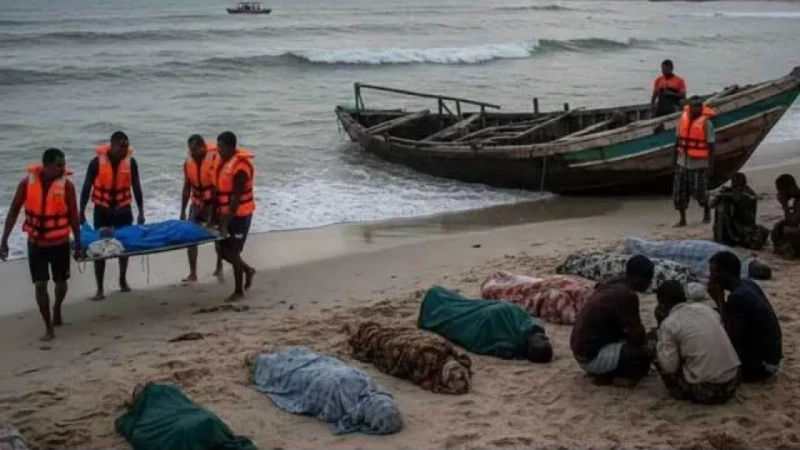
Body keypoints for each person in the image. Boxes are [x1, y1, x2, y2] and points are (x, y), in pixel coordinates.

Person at [0, 149, 82, 341]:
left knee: (61, 283)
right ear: (46, 165)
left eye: (64, 164)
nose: (63, 168)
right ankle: (48, 327)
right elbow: (13, 211)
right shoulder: (26, 184)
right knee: (40, 284)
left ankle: (57, 307)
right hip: (36, 243)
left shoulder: (67, 186)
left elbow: (73, 215)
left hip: (60, 242)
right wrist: (4, 240)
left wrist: (78, 243)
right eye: (59, 165)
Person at [570, 255, 655, 386]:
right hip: (591, 357)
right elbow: (636, 336)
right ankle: (608, 376)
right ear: (640, 279)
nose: (650, 283)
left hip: (581, 350)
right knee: (643, 356)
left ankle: (606, 371)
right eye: (649, 279)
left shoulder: (613, 283)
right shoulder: (627, 296)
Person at [80, 131, 144, 300]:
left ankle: (122, 280)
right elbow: (86, 188)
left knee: (124, 245)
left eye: (127, 146)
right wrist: (81, 211)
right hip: (102, 210)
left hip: (123, 209)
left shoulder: (131, 163)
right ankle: (100, 288)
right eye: (121, 146)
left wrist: (141, 211)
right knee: (99, 248)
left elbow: (137, 187)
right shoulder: (96, 163)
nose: (125, 149)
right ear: (112, 145)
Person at [654, 281, 740, 404]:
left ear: (662, 303)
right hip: (733, 380)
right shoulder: (706, 309)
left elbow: (670, 367)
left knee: (656, 347)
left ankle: (678, 391)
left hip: (708, 390)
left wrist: (660, 330)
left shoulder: (669, 324)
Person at [418, 285, 553, 362]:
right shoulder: (528, 325)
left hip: (479, 320)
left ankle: (434, 302)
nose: (544, 338)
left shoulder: (508, 345)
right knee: (457, 302)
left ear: (530, 348)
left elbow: (481, 341)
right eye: (545, 339)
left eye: (541, 342)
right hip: (483, 308)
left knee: (450, 311)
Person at [709, 251, 782, 382]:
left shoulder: (738, 298)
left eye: (714, 272)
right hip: (772, 358)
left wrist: (718, 301)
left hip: (762, 366)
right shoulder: (749, 284)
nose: (711, 277)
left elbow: (730, 340)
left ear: (725, 273)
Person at [214, 131, 256, 301]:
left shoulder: (240, 169)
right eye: (217, 146)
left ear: (231, 147)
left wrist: (226, 223)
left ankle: (239, 291)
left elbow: (235, 199)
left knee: (233, 252)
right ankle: (248, 270)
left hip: (240, 216)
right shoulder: (223, 162)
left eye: (221, 147)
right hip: (226, 214)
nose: (218, 150)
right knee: (221, 250)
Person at [180, 134, 223, 282]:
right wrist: (182, 211)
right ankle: (193, 273)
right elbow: (187, 188)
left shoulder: (215, 160)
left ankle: (219, 267)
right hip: (196, 203)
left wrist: (214, 214)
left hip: (214, 203)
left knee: (218, 237)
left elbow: (220, 187)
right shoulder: (188, 163)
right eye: (190, 150)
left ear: (203, 147)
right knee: (190, 237)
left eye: (195, 149)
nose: (192, 153)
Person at [673, 96, 716, 227]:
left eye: (699, 106)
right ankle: (682, 219)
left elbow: (711, 146)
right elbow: (677, 142)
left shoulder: (706, 124)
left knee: (699, 191)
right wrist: (674, 160)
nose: (697, 108)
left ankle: (706, 211)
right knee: (679, 192)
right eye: (695, 106)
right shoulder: (682, 121)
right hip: (682, 161)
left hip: (699, 163)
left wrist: (710, 165)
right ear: (689, 107)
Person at [711, 172, 769, 250]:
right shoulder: (733, 192)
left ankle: (724, 237)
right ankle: (723, 236)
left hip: (744, 229)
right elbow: (712, 204)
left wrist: (723, 195)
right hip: (736, 228)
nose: (735, 188)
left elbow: (740, 198)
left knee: (724, 203)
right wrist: (720, 194)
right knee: (722, 204)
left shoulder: (748, 194)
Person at [771, 173, 800, 257]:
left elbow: (793, 223)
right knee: (779, 226)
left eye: (780, 191)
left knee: (787, 231)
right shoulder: (797, 200)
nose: (779, 193)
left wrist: (784, 205)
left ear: (787, 188)